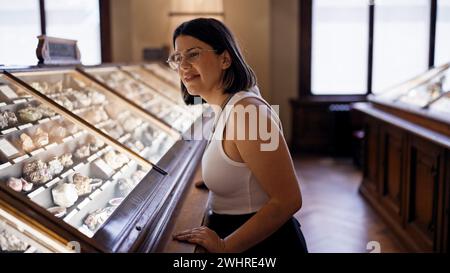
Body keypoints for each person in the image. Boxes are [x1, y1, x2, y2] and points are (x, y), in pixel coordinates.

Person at [171, 18, 308, 254]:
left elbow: (288, 200)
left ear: (225, 59)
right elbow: (242, 162)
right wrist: (221, 175)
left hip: (264, 245)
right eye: (177, 57)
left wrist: (225, 246)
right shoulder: (224, 104)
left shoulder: (248, 113)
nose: (183, 65)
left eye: (192, 54)